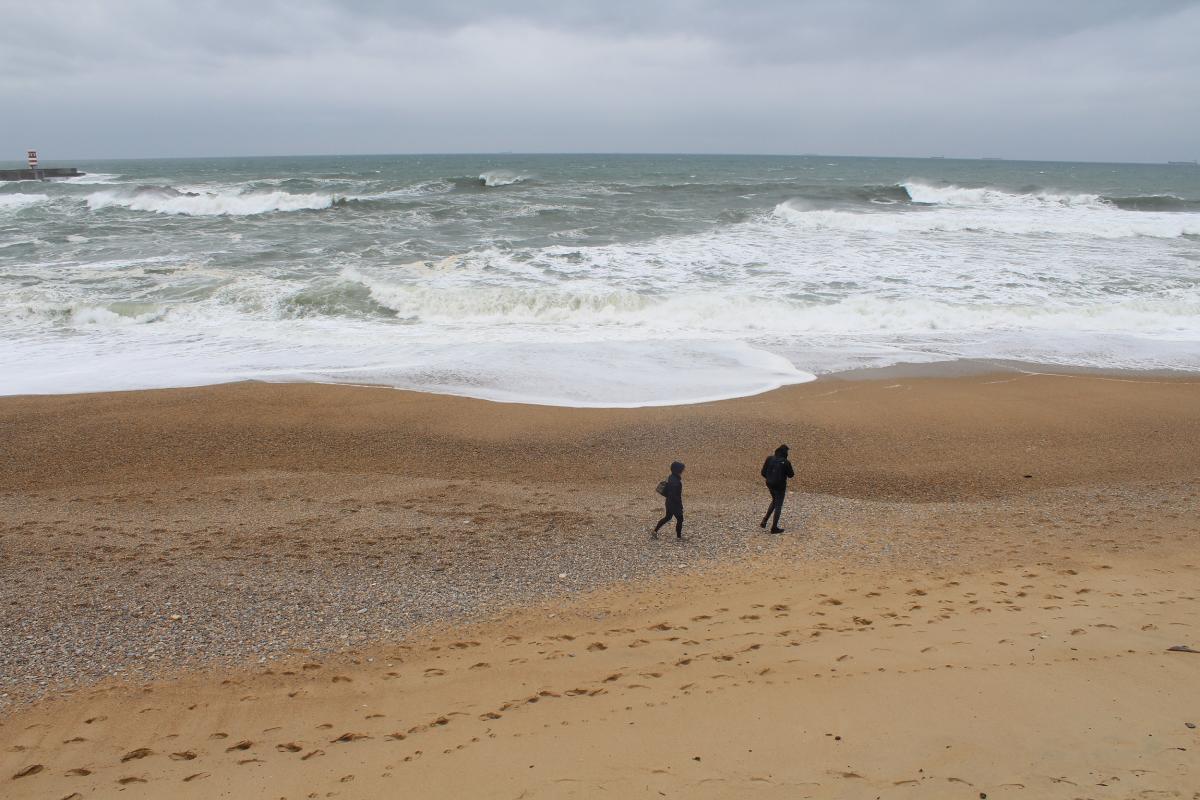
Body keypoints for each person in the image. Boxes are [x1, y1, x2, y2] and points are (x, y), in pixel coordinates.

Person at [760, 444, 794, 533]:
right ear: (785, 452)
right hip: (780, 486)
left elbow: (763, 473)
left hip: (769, 484)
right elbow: (791, 475)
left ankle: (764, 520)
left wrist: (770, 478)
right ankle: (774, 528)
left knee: (774, 501)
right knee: (778, 505)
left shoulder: (769, 458)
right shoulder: (786, 462)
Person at [652, 461, 685, 540]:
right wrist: (680, 506)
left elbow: (668, 492)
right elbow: (676, 496)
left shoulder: (670, 477)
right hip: (674, 504)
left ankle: (655, 531)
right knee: (680, 519)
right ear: (678, 470)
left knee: (667, 517)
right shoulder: (677, 482)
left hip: (668, 502)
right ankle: (679, 537)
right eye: (682, 469)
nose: (683, 471)